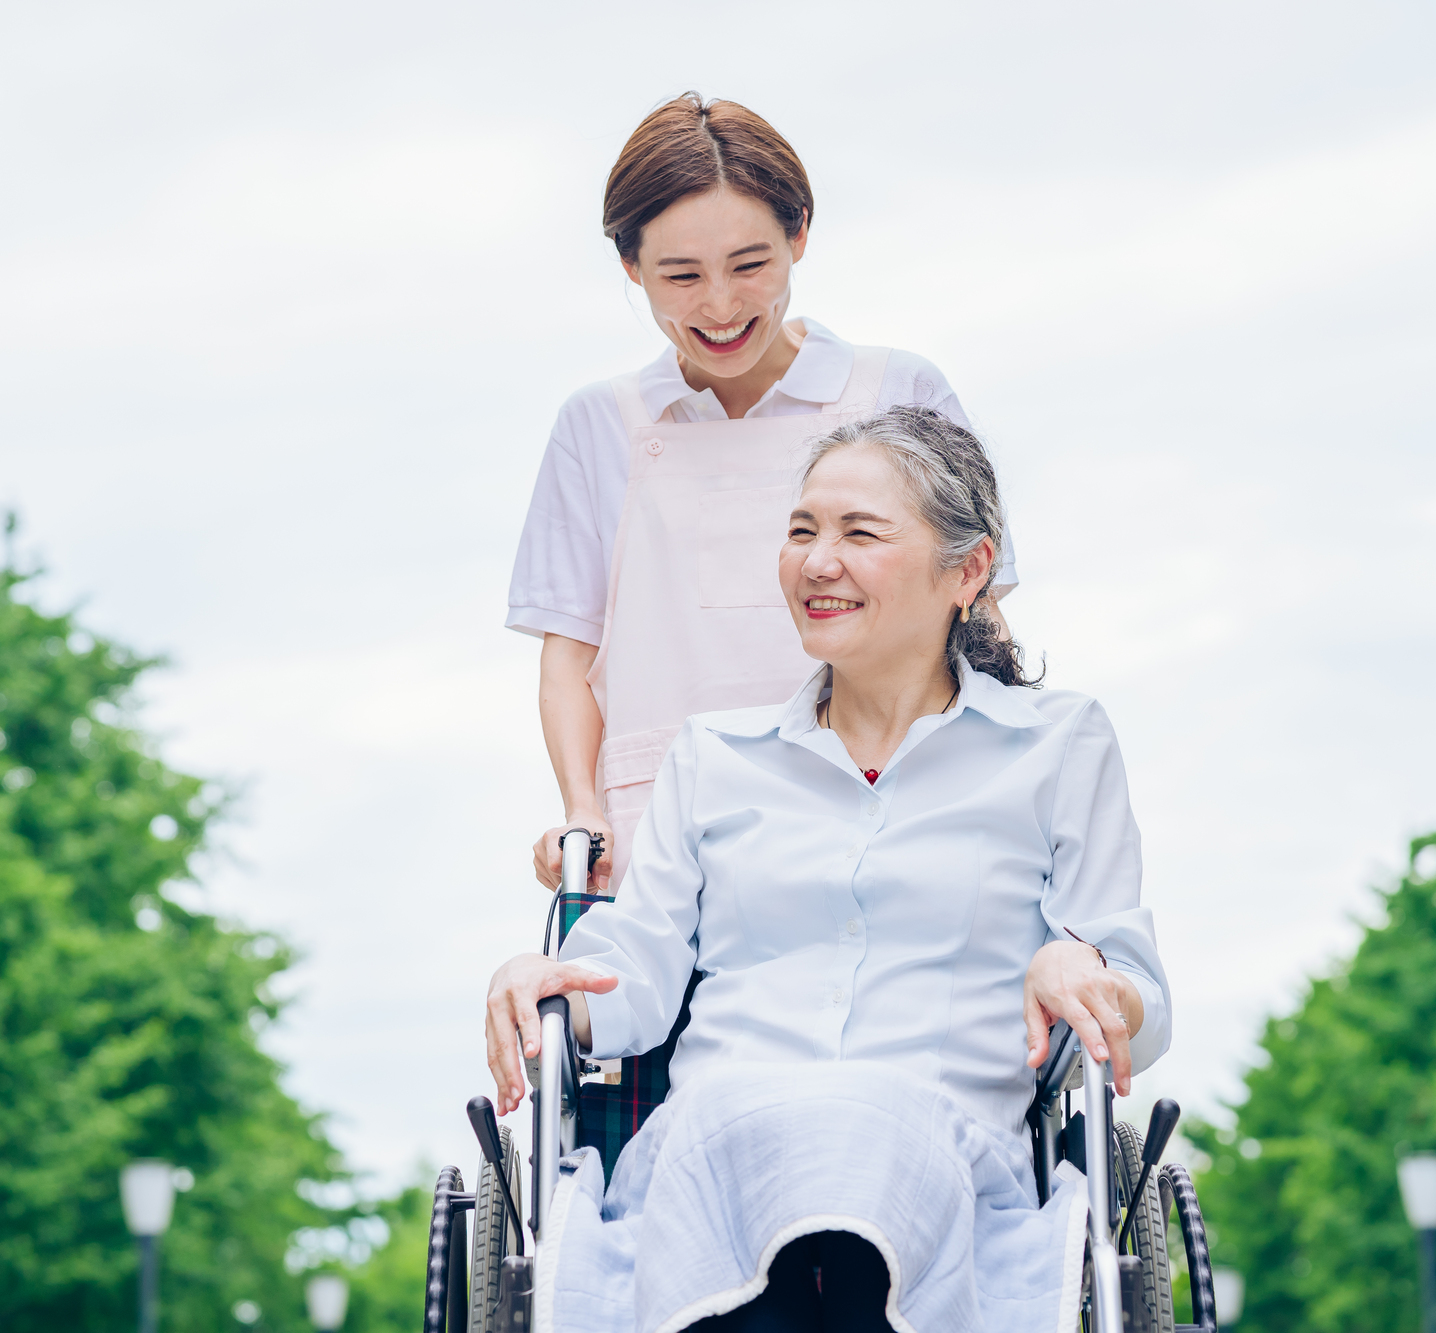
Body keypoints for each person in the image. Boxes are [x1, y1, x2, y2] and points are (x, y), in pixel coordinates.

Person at [483, 408, 1169, 1332]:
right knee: (780, 1132)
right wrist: (549, 978)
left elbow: (1141, 1004)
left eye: (858, 532)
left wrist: (1082, 970)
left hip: (946, 1166)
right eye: (801, 530)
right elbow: (635, 972)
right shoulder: (715, 756)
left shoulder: (1057, 745)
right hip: (719, 1155)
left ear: (968, 571)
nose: (816, 559)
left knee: (867, 1125)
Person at [508, 94, 1019, 894]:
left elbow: (977, 613)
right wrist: (583, 808)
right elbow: (569, 653)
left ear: (800, 234)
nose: (719, 305)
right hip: (669, 832)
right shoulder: (599, 426)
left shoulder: (900, 389)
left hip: (894, 810)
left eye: (750, 265)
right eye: (680, 275)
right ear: (630, 267)